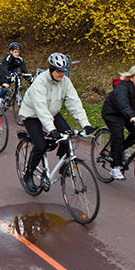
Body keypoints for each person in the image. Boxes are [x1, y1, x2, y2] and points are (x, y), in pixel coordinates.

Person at [19, 53, 95, 192]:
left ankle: (62, 166)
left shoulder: (65, 81)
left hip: (52, 112)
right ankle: (28, 174)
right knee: (40, 145)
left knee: (67, 138)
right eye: (58, 71)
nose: (61, 74)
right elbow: (40, 108)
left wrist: (86, 124)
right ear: (51, 69)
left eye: (64, 71)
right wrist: (51, 129)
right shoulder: (40, 81)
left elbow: (74, 103)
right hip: (32, 114)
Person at [0, 42, 28, 107]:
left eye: (18, 52)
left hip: (12, 69)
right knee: (6, 84)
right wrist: (7, 76)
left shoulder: (19, 58)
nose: (17, 54)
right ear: (11, 51)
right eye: (15, 52)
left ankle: (17, 94)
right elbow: (4, 68)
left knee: (17, 76)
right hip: (4, 69)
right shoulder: (7, 57)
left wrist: (28, 78)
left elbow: (23, 69)